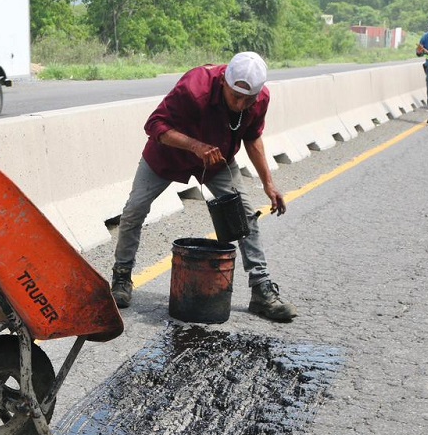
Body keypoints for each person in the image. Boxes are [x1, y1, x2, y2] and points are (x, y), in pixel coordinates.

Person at [109, 51, 297, 322]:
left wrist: (269, 184)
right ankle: (122, 277)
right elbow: (154, 124)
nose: (241, 105)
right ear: (223, 83)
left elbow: (252, 137)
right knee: (134, 211)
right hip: (168, 156)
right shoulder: (194, 87)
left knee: (245, 216)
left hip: (216, 161)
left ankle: (261, 289)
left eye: (248, 100)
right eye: (235, 97)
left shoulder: (261, 99)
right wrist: (195, 146)